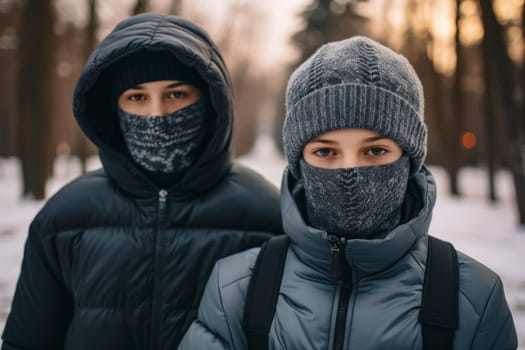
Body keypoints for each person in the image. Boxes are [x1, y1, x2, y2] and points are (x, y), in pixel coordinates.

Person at [178, 36, 518, 349]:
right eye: (326, 152)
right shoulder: (237, 288)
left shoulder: (472, 298)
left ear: (409, 158)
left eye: (375, 151)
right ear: (299, 163)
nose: (349, 172)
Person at [1, 13, 282, 350]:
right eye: (137, 97)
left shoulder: (264, 213)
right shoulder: (65, 216)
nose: (157, 114)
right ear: (113, 108)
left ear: (209, 101)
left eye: (176, 94)